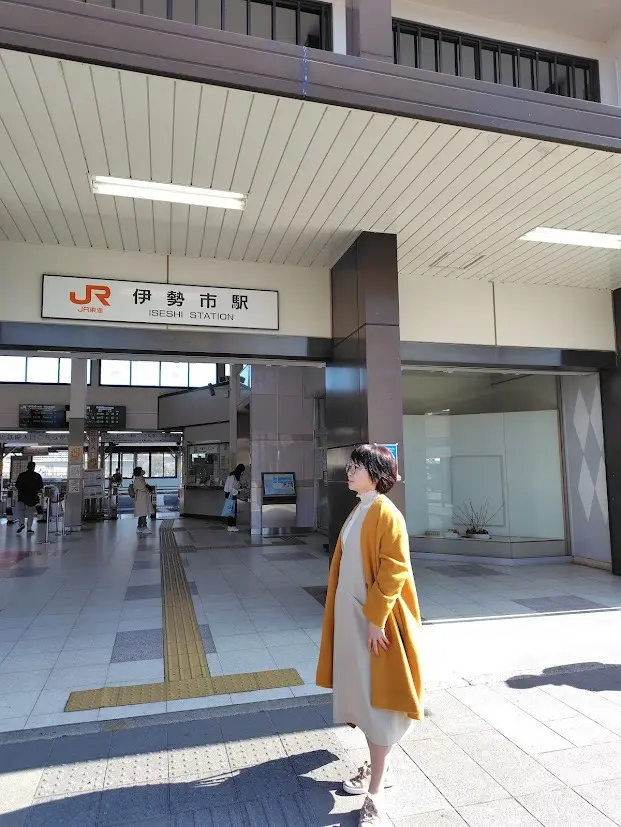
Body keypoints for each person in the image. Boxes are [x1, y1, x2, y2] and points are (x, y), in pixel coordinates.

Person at [316, 444, 424, 827]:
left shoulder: (384, 512)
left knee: (378, 702)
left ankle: (376, 792)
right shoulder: (362, 507)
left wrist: (376, 619)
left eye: (357, 466)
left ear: (376, 474)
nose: (349, 470)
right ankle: (380, 769)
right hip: (354, 620)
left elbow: (395, 569)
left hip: (374, 624)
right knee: (364, 699)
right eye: (350, 465)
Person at [15, 461, 44, 535]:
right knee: (30, 513)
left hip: (21, 496)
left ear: (27, 467)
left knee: (21, 511)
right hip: (32, 497)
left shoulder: (21, 475)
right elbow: (41, 486)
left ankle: (21, 524)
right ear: (34, 467)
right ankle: (29, 529)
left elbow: (17, 485)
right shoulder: (37, 476)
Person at [223, 464, 245, 533]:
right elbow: (230, 488)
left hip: (230, 494)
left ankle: (232, 526)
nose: (242, 473)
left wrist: (239, 489)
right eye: (242, 471)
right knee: (232, 510)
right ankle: (231, 526)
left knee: (232, 510)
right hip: (230, 494)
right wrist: (237, 491)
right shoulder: (232, 477)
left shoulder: (234, 476)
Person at [131, 466, 153, 534]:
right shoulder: (138, 480)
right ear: (139, 472)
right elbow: (143, 488)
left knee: (142, 513)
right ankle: (144, 527)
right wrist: (148, 488)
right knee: (143, 512)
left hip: (142, 498)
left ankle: (139, 527)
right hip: (141, 498)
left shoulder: (140, 479)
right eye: (141, 470)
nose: (143, 471)